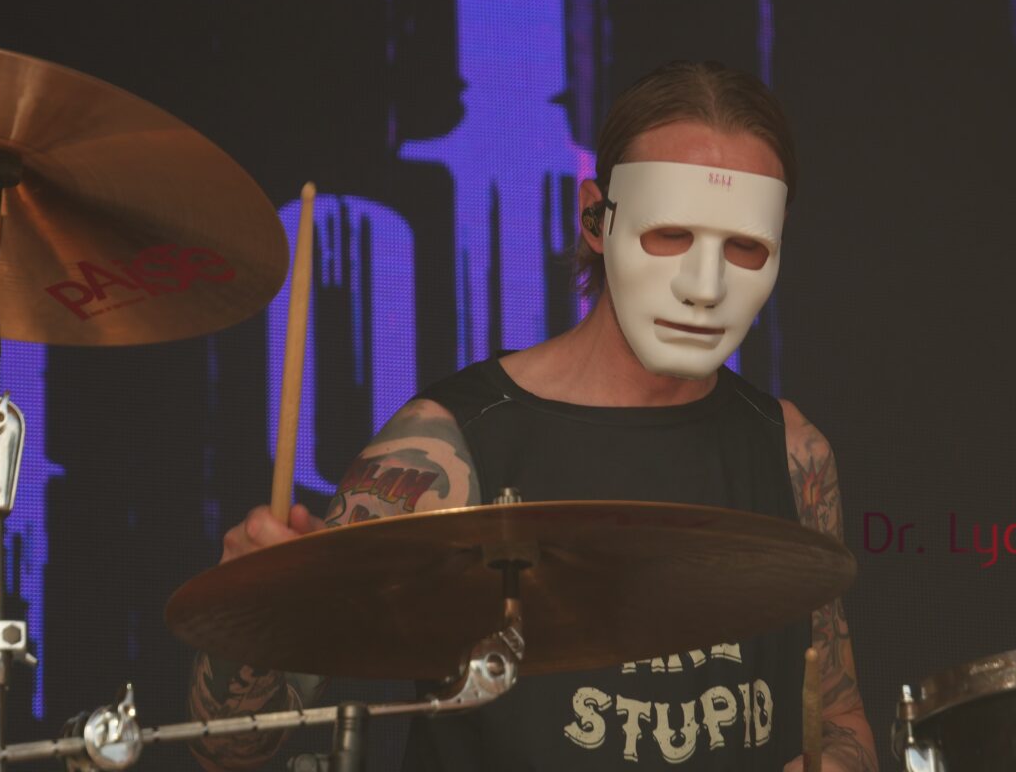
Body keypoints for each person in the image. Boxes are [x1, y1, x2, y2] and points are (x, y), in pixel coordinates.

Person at [188, 61, 876, 771]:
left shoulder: (792, 451)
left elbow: (837, 715)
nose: (706, 286)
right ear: (596, 219)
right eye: (671, 233)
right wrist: (250, 614)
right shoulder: (445, 452)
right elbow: (233, 746)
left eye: (745, 246)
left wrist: (837, 763)